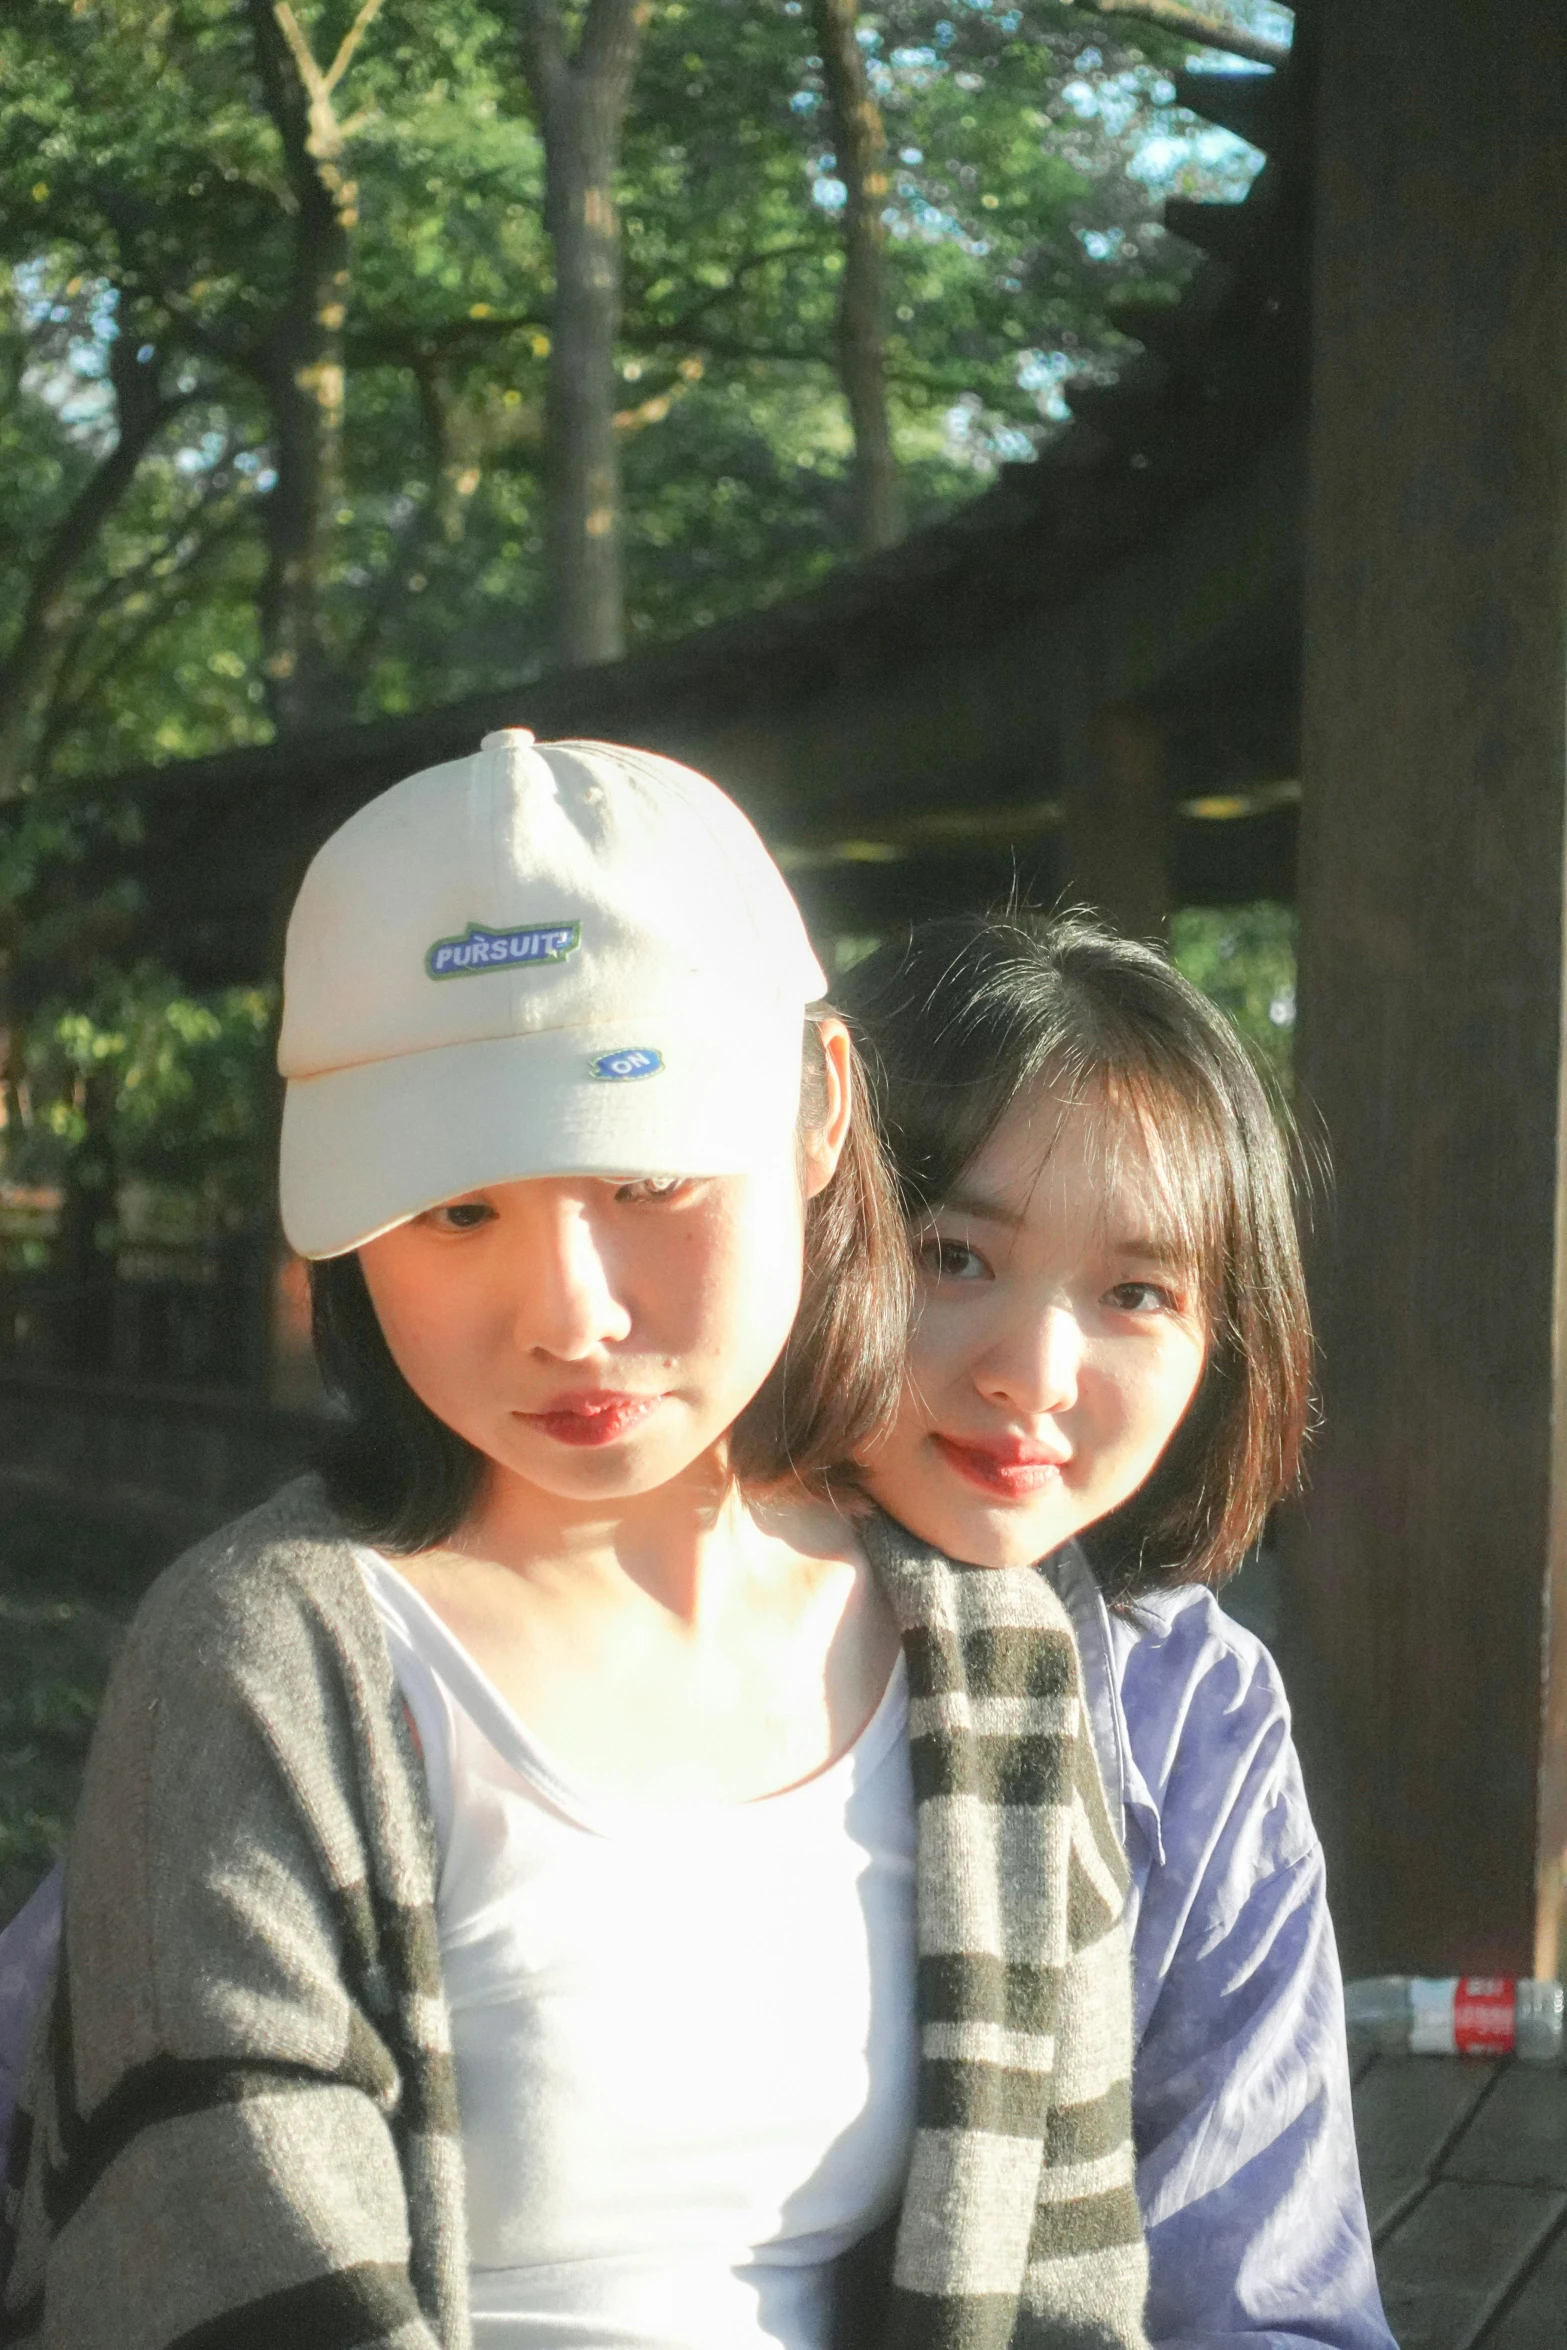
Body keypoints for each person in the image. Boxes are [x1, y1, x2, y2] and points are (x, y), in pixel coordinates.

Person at [0, 737, 1149, 2349]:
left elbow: (1070, 2288)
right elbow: (227, 2279)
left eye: (647, 1176)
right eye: (454, 1208)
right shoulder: (265, 1668)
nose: (570, 1313)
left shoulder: (995, 1665)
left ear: (820, 1108)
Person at [837, 911, 1396, 2350]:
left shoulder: (1191, 1710)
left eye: (1135, 1292)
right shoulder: (638, 1621)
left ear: (1227, 1340)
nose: (1034, 1372)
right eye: (953, 1253)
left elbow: (1265, 2295)